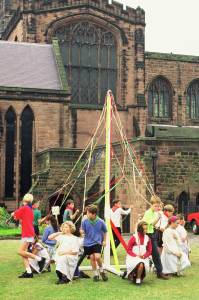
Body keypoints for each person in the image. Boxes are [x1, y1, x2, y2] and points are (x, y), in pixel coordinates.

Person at [11, 193, 46, 278]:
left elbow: (15, 215)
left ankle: (40, 259)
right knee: (24, 254)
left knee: (20, 251)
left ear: (24, 200)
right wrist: (15, 215)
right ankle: (29, 272)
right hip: (28, 232)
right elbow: (17, 217)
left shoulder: (25, 208)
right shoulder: (29, 209)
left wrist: (13, 214)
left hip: (27, 233)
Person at [143, 195, 169, 279]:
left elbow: (154, 226)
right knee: (147, 253)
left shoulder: (155, 212)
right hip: (146, 235)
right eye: (155, 206)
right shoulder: (148, 213)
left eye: (158, 206)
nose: (157, 207)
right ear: (151, 205)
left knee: (156, 254)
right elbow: (152, 224)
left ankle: (159, 272)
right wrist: (158, 217)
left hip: (152, 234)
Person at [81, 205, 108, 282]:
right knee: (92, 258)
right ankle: (95, 274)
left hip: (97, 242)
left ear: (94, 214)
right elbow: (82, 231)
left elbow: (105, 231)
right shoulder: (84, 221)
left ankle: (102, 270)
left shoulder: (101, 221)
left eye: (88, 213)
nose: (86, 214)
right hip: (87, 243)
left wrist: (104, 240)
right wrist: (82, 232)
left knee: (97, 257)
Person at [126, 221, 152, 286]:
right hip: (133, 257)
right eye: (144, 229)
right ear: (140, 229)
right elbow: (128, 249)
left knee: (141, 263)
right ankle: (137, 279)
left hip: (143, 257)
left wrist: (144, 256)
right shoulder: (134, 237)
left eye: (146, 229)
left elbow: (149, 250)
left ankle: (138, 277)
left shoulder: (147, 238)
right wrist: (136, 256)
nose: (146, 230)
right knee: (140, 264)